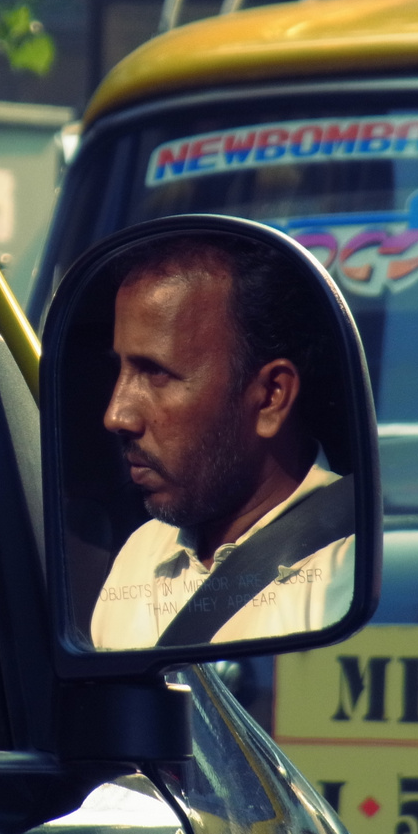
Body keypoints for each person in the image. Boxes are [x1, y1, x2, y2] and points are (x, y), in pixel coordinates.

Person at [89, 235, 354, 650]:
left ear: (270, 397)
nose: (116, 414)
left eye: (156, 373)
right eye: (120, 370)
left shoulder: (350, 573)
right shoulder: (141, 555)